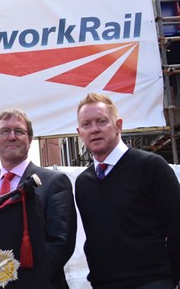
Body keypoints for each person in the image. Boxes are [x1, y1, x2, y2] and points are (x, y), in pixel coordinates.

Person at [75, 93, 180, 289]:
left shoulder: (151, 167)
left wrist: (166, 280)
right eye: (86, 124)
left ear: (118, 125)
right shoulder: (83, 183)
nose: (94, 129)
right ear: (79, 132)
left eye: (102, 121)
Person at [0, 108, 77, 289]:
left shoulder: (54, 182)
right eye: (4, 131)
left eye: (19, 131)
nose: (12, 137)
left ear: (30, 139)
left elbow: (60, 244)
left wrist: (17, 279)